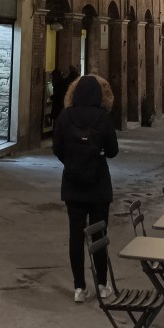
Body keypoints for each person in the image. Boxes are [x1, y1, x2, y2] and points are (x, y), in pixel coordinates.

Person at [52, 73, 118, 304]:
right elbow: (112, 151)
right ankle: (102, 284)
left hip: (72, 184)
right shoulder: (104, 117)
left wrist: (72, 162)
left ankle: (79, 287)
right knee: (99, 234)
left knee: (75, 236)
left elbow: (56, 147)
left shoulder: (65, 116)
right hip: (98, 184)